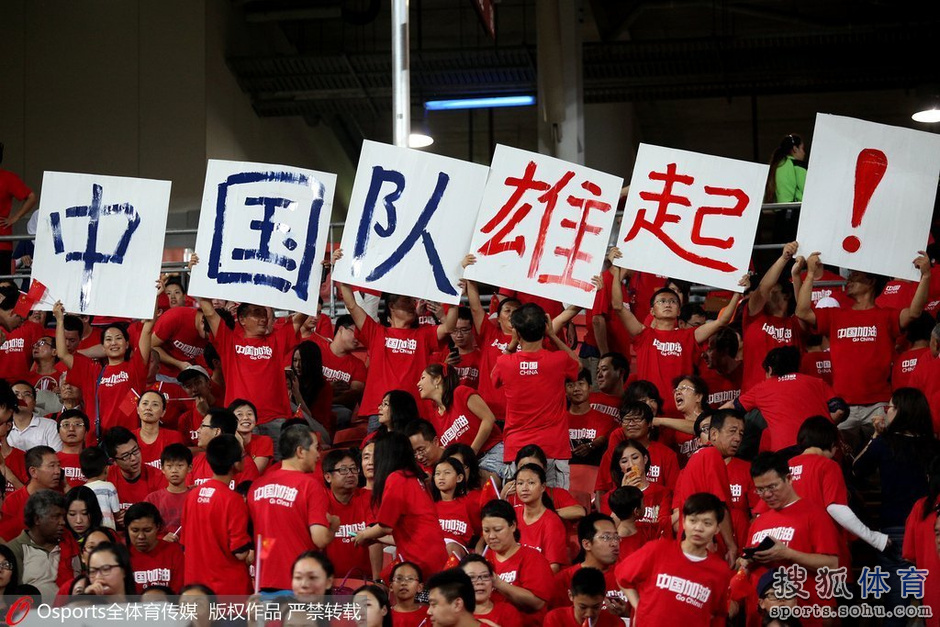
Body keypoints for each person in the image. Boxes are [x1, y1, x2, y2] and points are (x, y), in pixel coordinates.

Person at [795, 250, 932, 447]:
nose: (848, 281)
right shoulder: (835, 315)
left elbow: (915, 311)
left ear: (871, 282)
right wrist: (809, 274)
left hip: (879, 405)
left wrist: (926, 276)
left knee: (884, 462)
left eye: (855, 278)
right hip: (843, 407)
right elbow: (801, 311)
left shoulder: (886, 316)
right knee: (843, 462)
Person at [607, 247, 743, 414]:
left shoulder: (689, 335)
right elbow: (617, 306)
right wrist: (617, 270)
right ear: (652, 311)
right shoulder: (644, 335)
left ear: (679, 311)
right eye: (662, 301)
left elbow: (722, 321)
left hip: (681, 415)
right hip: (650, 414)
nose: (668, 304)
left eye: (672, 301)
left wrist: (737, 291)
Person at [335, 259, 457, 430]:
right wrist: (340, 270)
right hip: (380, 411)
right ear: (391, 305)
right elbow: (351, 304)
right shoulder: (375, 332)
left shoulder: (424, 333)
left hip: (413, 410)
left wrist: (454, 295)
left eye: (412, 301)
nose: (412, 305)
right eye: (406, 301)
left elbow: (450, 326)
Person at [854, 387, 940, 624]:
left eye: (889, 407)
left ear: (901, 411)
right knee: (933, 597)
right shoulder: (934, 446)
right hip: (930, 529)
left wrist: (875, 435)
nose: (885, 412)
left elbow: (856, 470)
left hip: (895, 529)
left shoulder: (885, 442)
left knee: (896, 605)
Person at [198, 280, 310, 442]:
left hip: (276, 419)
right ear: (242, 319)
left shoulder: (277, 339)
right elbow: (209, 312)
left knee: (278, 465)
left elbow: (302, 316)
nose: (263, 318)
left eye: (264, 313)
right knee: (243, 466)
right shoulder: (229, 341)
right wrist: (198, 273)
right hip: (239, 420)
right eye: (257, 313)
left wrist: (315, 273)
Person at [741, 452, 841, 622]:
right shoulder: (759, 521)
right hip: (761, 615)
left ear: (788, 478)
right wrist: (745, 562)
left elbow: (832, 565)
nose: (766, 495)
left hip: (803, 614)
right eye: (760, 489)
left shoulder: (815, 514)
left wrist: (787, 554)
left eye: (772, 487)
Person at [492, 303, 580, 488]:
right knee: (557, 509)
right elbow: (578, 365)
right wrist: (553, 336)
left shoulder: (505, 363)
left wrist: (513, 342)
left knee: (519, 511)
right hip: (553, 448)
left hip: (517, 450)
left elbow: (494, 378)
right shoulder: (559, 360)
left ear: (517, 332)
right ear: (544, 328)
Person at [615, 493, 734, 626]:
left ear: (717, 528)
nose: (698, 528)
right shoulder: (658, 549)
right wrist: (638, 607)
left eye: (707, 523)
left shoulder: (720, 571)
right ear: (683, 521)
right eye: (693, 521)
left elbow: (718, 615)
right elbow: (621, 576)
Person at [54, 293, 158, 444]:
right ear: (103, 347)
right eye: (108, 339)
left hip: (126, 442)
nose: (114, 343)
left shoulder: (135, 367)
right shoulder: (92, 371)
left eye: (119, 338)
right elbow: (63, 354)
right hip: (97, 443)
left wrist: (154, 295)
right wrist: (59, 321)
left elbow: (148, 328)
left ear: (127, 344)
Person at [247, 423, 336, 591]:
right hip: (301, 585)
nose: (318, 455)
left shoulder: (257, 486)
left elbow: (262, 537)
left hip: (264, 582)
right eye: (316, 448)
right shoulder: (310, 486)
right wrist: (334, 526)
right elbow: (320, 539)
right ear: (301, 451)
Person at [354, 432, 448, 580]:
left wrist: (363, 535)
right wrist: (377, 538)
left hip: (420, 561)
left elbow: (385, 526)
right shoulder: (414, 478)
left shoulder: (396, 478)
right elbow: (408, 531)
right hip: (435, 555)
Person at [729, 346, 845, 453]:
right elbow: (839, 410)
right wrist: (822, 431)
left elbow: (732, 408)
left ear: (769, 369)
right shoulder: (818, 382)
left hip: (786, 453)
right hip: (824, 449)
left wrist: (711, 416)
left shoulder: (762, 388)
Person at [180, 434, 251, 594]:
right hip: (227, 593)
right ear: (235, 463)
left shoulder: (192, 495)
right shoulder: (233, 500)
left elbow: (184, 545)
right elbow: (240, 553)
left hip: (197, 592)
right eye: (243, 455)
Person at [671, 410, 745, 564]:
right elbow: (719, 504)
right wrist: (731, 547)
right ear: (714, 434)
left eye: (741, 433)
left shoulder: (698, 456)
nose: (737, 438)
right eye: (732, 431)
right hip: (705, 544)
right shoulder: (712, 455)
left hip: (692, 543)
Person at [479, 499, 555, 627]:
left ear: (513, 526)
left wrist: (498, 583)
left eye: (497, 530)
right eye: (486, 531)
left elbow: (537, 602)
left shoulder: (533, 558)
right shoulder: (483, 561)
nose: (491, 536)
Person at [418, 363, 503, 476]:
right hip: (471, 464)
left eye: (423, 378)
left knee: (476, 481)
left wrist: (472, 452)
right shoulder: (436, 417)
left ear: (437, 379)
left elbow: (489, 418)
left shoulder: (460, 392)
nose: (418, 383)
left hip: (492, 452)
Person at [600, 439, 671, 541]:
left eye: (635, 458)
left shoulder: (663, 492)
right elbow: (607, 532)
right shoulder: (610, 497)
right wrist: (623, 494)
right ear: (620, 467)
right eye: (624, 461)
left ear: (645, 459)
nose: (631, 464)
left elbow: (664, 527)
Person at [552, 513, 624, 613]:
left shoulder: (626, 576)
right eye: (606, 537)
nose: (614, 543)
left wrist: (628, 614)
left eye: (616, 537)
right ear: (587, 544)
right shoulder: (564, 580)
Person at [4, 489, 66, 600]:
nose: (62, 522)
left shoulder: (70, 547)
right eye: (56, 517)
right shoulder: (14, 549)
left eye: (63, 517)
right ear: (37, 519)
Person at [310, 314, 367, 429]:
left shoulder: (358, 364)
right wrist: (329, 388)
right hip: (310, 405)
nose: (358, 338)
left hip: (336, 409)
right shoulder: (317, 350)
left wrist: (325, 397)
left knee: (344, 414)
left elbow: (353, 394)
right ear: (341, 329)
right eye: (355, 333)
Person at [322, 448, 372, 578]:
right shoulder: (320, 501)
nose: (350, 474)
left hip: (365, 585)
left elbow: (376, 539)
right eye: (343, 470)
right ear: (328, 477)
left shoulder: (368, 498)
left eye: (353, 469)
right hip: (330, 585)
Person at [513, 463, 568, 572]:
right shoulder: (512, 514)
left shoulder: (552, 522)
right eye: (520, 483)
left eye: (531, 483)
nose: (524, 488)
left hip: (539, 582)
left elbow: (553, 567)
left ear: (543, 487)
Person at [0, 445, 61, 541]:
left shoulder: (60, 498)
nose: (58, 471)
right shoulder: (12, 502)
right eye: (52, 466)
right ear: (33, 472)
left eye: (58, 465)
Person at [102, 426, 168, 514]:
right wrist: (113, 519)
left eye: (135, 450)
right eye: (125, 456)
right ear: (113, 461)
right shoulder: (106, 478)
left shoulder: (158, 477)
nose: (133, 458)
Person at [188, 408, 259, 488]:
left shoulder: (245, 464)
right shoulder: (196, 461)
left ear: (217, 431)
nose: (197, 430)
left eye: (202, 426)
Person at [650, 375, 711, 464]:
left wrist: (659, 420)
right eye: (676, 390)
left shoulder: (714, 418)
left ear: (698, 396)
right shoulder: (674, 432)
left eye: (684, 388)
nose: (677, 393)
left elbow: (698, 426)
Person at [124, 502, 183, 593]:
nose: (141, 536)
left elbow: (179, 592)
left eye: (147, 530)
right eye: (135, 530)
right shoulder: (122, 555)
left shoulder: (173, 551)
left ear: (157, 527)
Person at [565, 369, 615, 467]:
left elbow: (603, 439)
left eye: (581, 383)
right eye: (570, 385)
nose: (576, 389)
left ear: (590, 388)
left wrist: (592, 445)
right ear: (565, 391)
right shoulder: (559, 421)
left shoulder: (605, 419)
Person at [0, 147, 37, 273]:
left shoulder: (8, 178)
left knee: (2, 285)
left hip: (2, 243)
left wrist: (15, 218)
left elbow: (31, 197)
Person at [545, 567, 622, 627]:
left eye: (596, 607)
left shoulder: (615, 623)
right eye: (583, 607)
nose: (589, 614)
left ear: (604, 597)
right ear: (570, 596)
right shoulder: (555, 619)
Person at [145, 443, 192, 539]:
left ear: (189, 468)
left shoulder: (195, 497)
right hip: (161, 550)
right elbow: (144, 529)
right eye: (169, 466)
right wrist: (160, 539)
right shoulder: (152, 499)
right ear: (162, 469)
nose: (174, 470)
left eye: (180, 466)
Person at [431, 456, 477, 555]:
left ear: (459, 478)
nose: (441, 477)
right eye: (437, 474)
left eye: (447, 473)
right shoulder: (429, 505)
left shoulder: (468, 503)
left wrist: (479, 547)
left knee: (450, 547)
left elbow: (481, 530)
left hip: (457, 549)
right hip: (432, 548)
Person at [289, 340, 334, 438]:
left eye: (302, 361)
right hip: (296, 427)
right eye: (295, 360)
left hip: (320, 430)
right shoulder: (293, 381)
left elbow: (310, 417)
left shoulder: (324, 387)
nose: (297, 366)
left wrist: (296, 394)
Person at [61, 486, 103, 581]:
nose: (79, 521)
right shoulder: (59, 540)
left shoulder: (105, 537)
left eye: (84, 513)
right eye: (72, 514)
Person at [134, 390, 182, 470]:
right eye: (145, 403)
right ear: (138, 409)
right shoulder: (129, 439)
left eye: (155, 405)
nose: (148, 408)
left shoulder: (174, 437)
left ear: (163, 412)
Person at [8, 381, 60, 452]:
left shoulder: (50, 426)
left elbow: (56, 457)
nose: (21, 398)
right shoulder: (3, 428)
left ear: (34, 402)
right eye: (16, 394)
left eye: (27, 394)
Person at [80, 446, 120, 530]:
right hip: (109, 532)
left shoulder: (82, 490)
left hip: (90, 533)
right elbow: (117, 513)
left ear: (82, 472)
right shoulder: (109, 487)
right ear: (106, 469)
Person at [230, 399, 273, 474]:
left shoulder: (264, 441)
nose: (246, 418)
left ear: (256, 420)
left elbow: (254, 473)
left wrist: (240, 447)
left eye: (249, 414)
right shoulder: (225, 442)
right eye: (240, 414)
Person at [764, 134, 807, 203]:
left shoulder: (775, 165)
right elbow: (807, 189)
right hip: (794, 209)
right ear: (795, 149)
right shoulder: (797, 165)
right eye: (802, 148)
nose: (804, 153)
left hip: (777, 210)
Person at [590, 353, 628, 420]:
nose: (599, 375)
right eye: (597, 371)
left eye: (604, 369)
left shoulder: (630, 406)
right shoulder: (587, 399)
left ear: (621, 372)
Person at [390, 561, 427, 627]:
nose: (403, 583)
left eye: (410, 579)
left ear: (419, 587)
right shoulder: (385, 615)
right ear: (391, 586)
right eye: (399, 578)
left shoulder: (429, 614)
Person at [56, 410, 88, 487]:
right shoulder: (52, 460)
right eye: (66, 425)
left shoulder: (94, 460)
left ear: (86, 432)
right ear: (58, 432)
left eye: (78, 424)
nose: (71, 429)